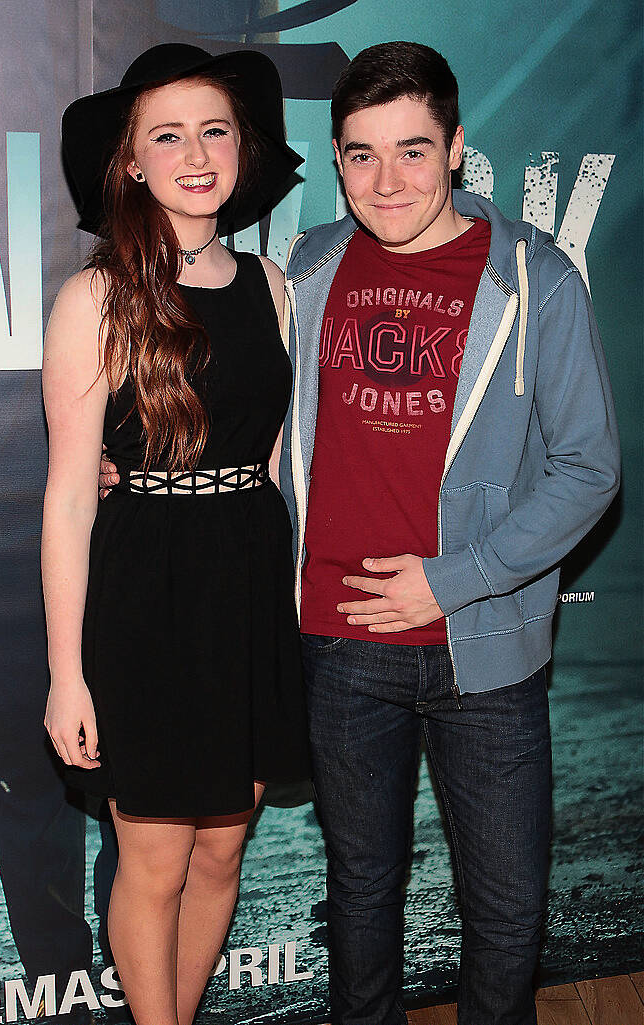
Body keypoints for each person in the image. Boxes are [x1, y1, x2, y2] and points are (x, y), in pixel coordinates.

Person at [100, 40, 620, 1025]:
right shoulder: (304, 268)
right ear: (335, 160)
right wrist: (117, 450)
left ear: (457, 149)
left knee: (507, 915)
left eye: (413, 151)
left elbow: (588, 468)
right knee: (362, 906)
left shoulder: (533, 278)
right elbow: (225, 391)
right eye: (360, 154)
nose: (387, 180)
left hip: (484, 654)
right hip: (335, 650)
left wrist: (453, 578)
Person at [42, 42, 309, 1025]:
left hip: (245, 586)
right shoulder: (97, 298)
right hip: (143, 594)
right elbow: (70, 499)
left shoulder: (274, 285)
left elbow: (278, 465)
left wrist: (286, 618)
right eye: (168, 134)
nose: (195, 152)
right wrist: (68, 674)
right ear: (133, 162)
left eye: (214, 130)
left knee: (222, 845)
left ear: (243, 150)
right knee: (153, 856)